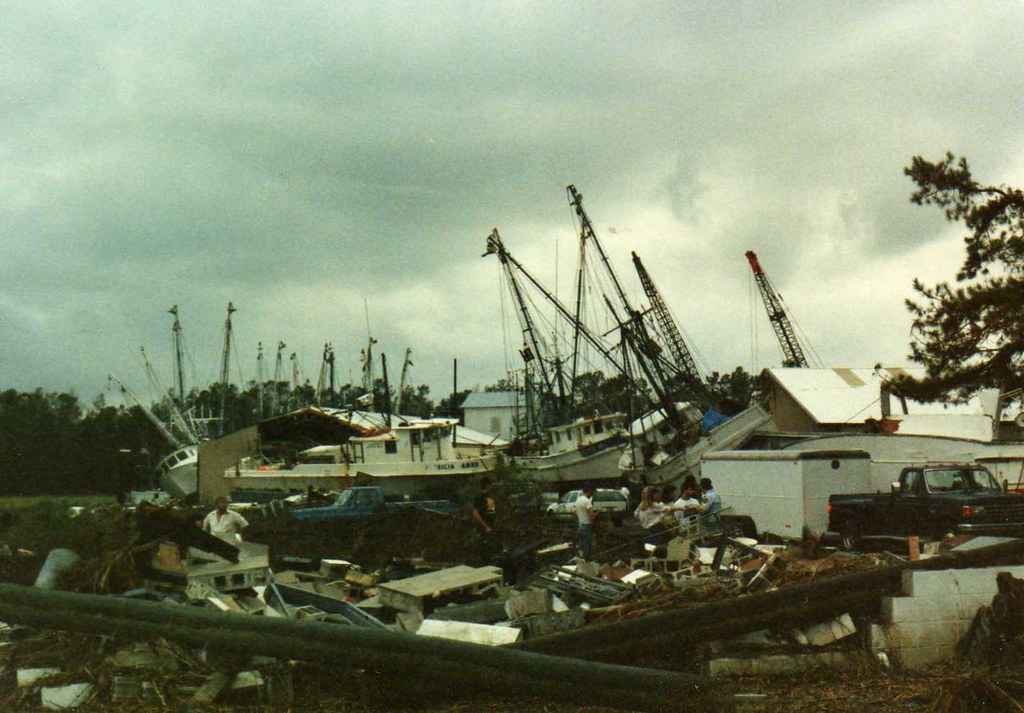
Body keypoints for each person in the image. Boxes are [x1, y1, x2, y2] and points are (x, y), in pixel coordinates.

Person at [470, 476, 497, 550]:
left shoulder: (490, 496)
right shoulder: (479, 497)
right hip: (483, 526)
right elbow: (475, 513)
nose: (492, 486)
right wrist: (485, 526)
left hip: (491, 524)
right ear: (487, 485)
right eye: (491, 484)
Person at [575, 482, 600, 560]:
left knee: (581, 547)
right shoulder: (586, 501)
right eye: (592, 492)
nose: (593, 494)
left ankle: (580, 563)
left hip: (580, 525)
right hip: (587, 526)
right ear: (590, 491)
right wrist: (598, 511)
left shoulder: (578, 500)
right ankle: (586, 564)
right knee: (587, 548)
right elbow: (592, 515)